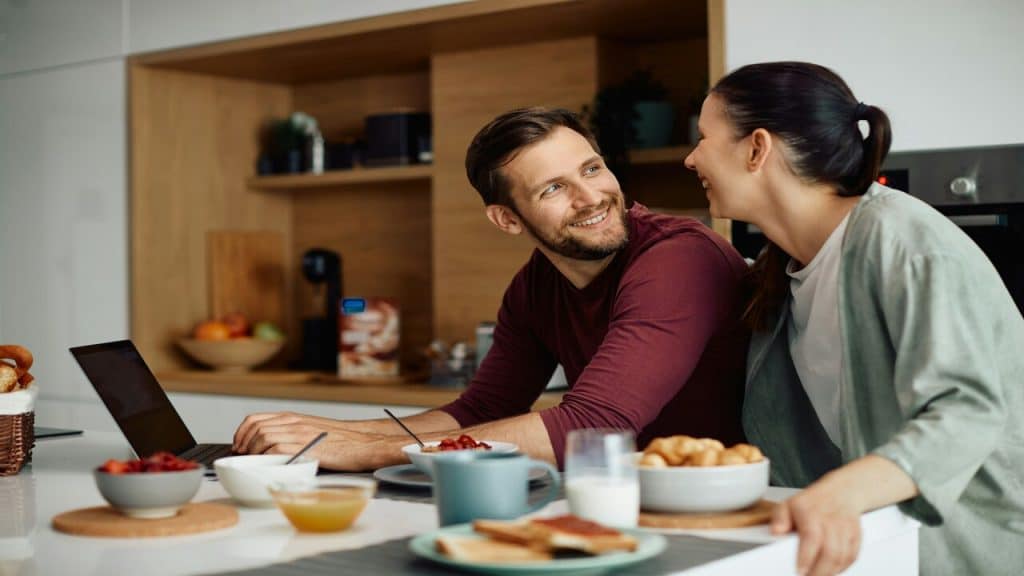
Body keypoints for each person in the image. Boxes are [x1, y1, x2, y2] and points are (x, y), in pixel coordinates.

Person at [234, 107, 750, 471]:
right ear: (506, 219)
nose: (591, 197)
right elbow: (479, 411)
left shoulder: (679, 256)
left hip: (725, 506)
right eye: (554, 188)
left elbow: (591, 423)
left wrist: (365, 450)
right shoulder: (535, 287)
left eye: (592, 169)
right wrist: (327, 433)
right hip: (627, 495)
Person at [683, 61, 1024, 576]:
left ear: (757, 149)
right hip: (881, 551)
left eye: (704, 138)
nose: (690, 159)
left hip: (973, 554)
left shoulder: (908, 245)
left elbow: (966, 414)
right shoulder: (780, 272)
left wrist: (841, 494)